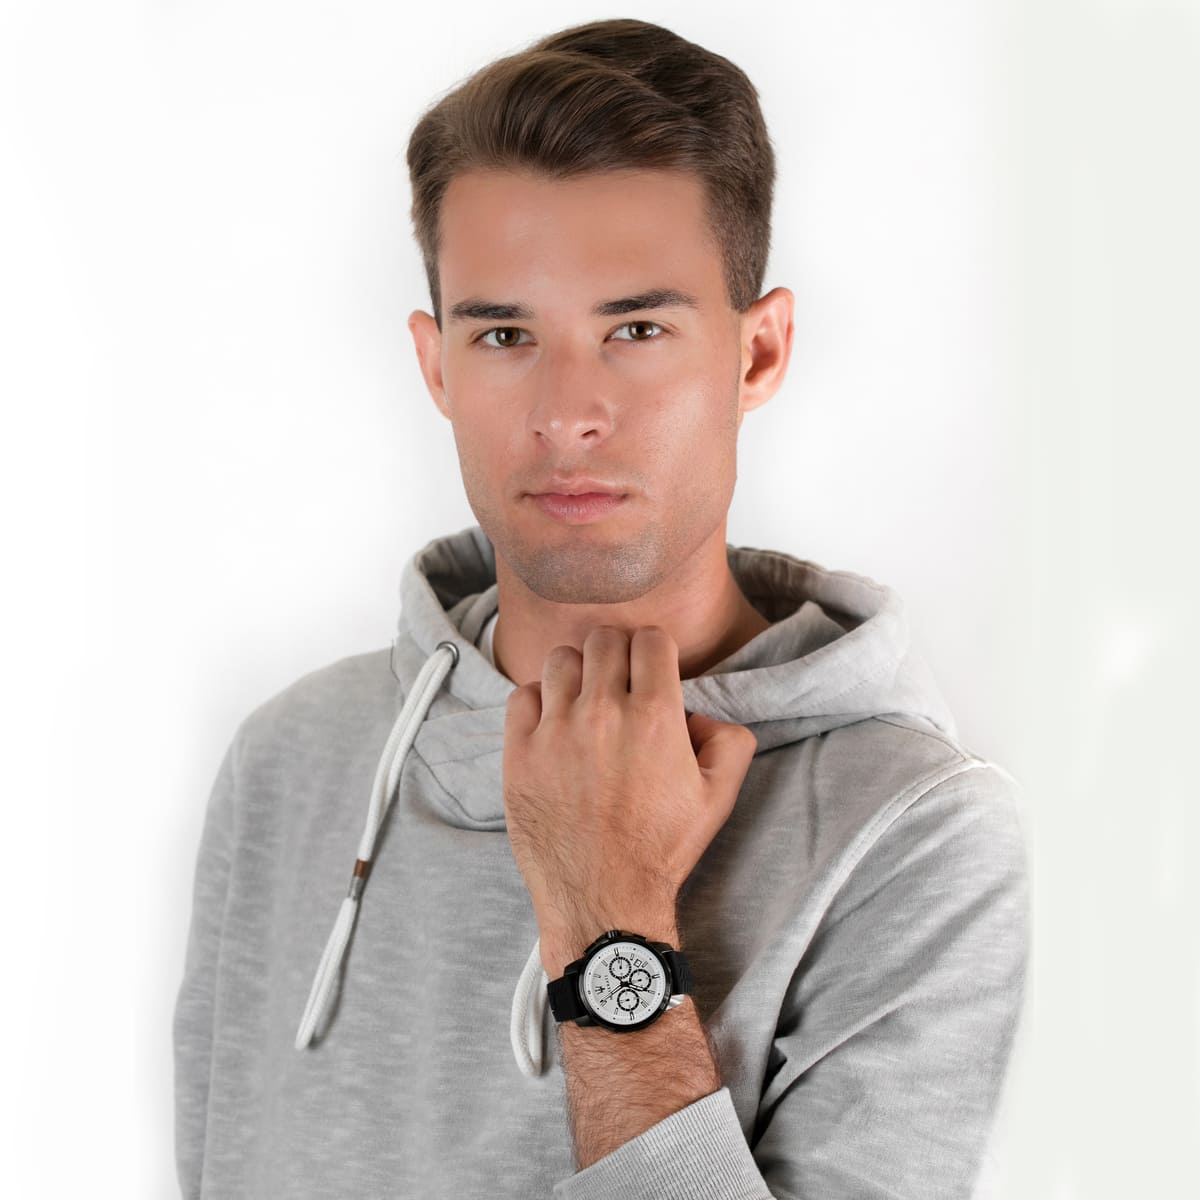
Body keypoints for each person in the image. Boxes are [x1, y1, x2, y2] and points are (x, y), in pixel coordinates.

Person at [173, 17, 1029, 1199]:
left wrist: (606, 924)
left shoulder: (911, 829)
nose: (568, 411)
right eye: (505, 334)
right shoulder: (291, 758)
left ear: (758, 353)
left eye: (635, 329)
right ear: (437, 366)